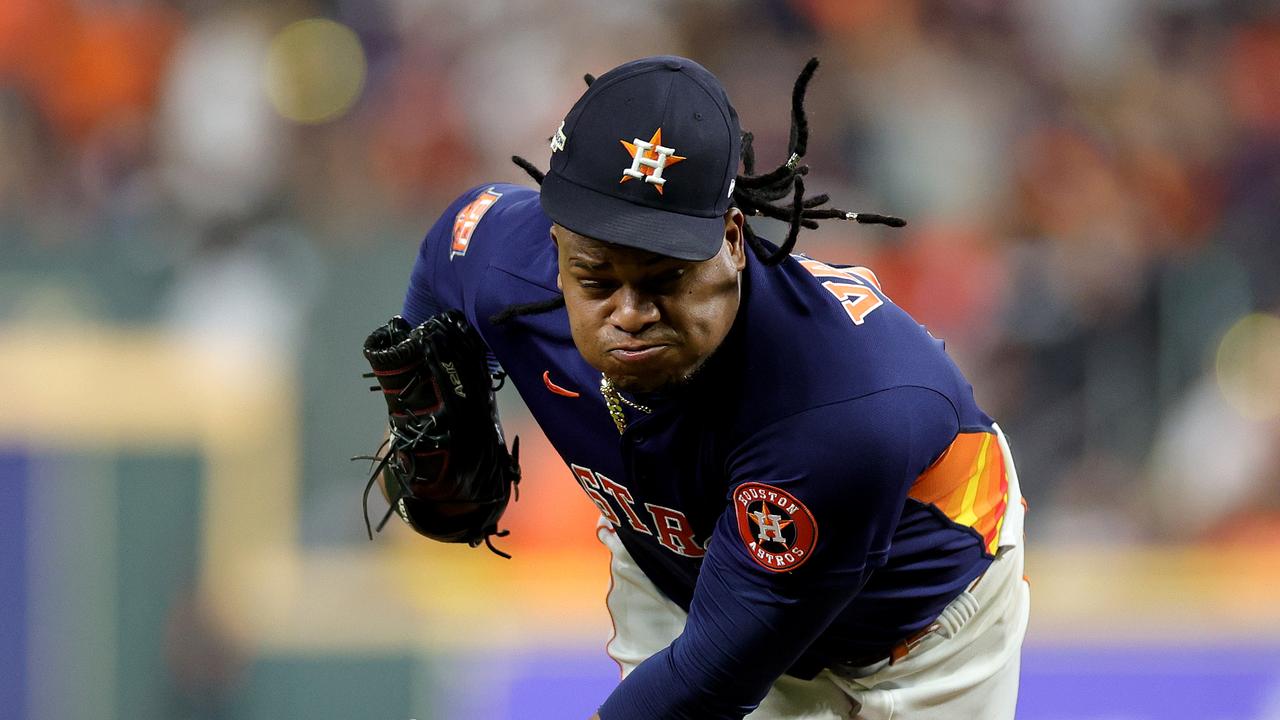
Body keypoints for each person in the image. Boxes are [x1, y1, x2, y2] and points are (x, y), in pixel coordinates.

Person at [395, 55, 1029, 720]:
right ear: (555, 248)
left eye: (665, 277)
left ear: (730, 242)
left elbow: (711, 678)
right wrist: (420, 422)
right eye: (597, 280)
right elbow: (449, 251)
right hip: (683, 566)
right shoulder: (498, 261)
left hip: (918, 623)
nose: (631, 312)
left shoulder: (838, 410)